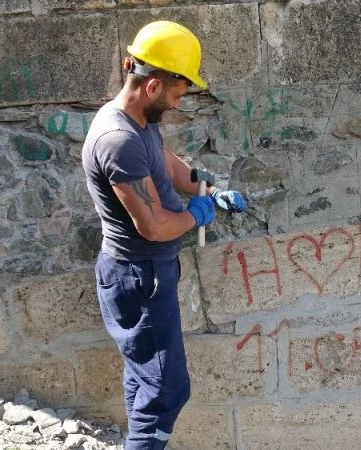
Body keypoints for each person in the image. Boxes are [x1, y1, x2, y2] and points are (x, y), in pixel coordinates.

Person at [81, 21, 247, 450]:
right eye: (177, 93)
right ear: (153, 85)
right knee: (169, 389)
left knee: (147, 378)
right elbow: (153, 225)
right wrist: (199, 213)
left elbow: (166, 162)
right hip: (138, 276)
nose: (178, 103)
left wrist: (205, 186)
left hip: (145, 273)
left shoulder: (139, 121)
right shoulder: (118, 139)